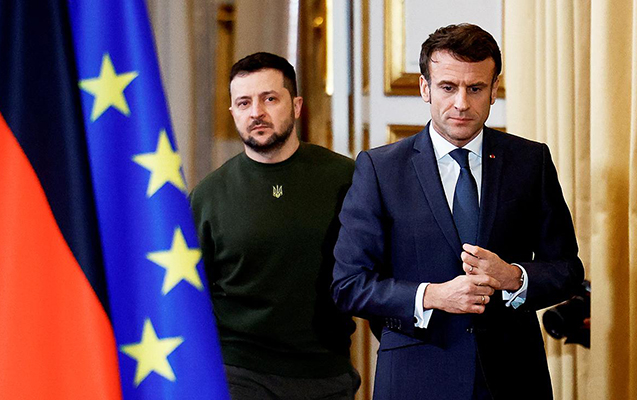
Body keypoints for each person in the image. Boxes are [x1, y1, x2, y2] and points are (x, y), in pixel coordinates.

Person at [331, 24, 584, 400]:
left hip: (514, 378)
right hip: (415, 379)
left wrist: (513, 277)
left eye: (475, 88)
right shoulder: (380, 169)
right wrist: (431, 296)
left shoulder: (531, 161)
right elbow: (349, 285)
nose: (462, 103)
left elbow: (568, 270)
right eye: (448, 87)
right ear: (425, 88)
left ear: (493, 90)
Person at [190, 52, 359, 400]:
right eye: (244, 103)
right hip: (240, 372)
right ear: (233, 112)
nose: (256, 112)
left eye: (269, 99)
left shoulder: (347, 178)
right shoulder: (208, 195)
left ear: (296, 106)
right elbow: (190, 293)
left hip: (326, 371)